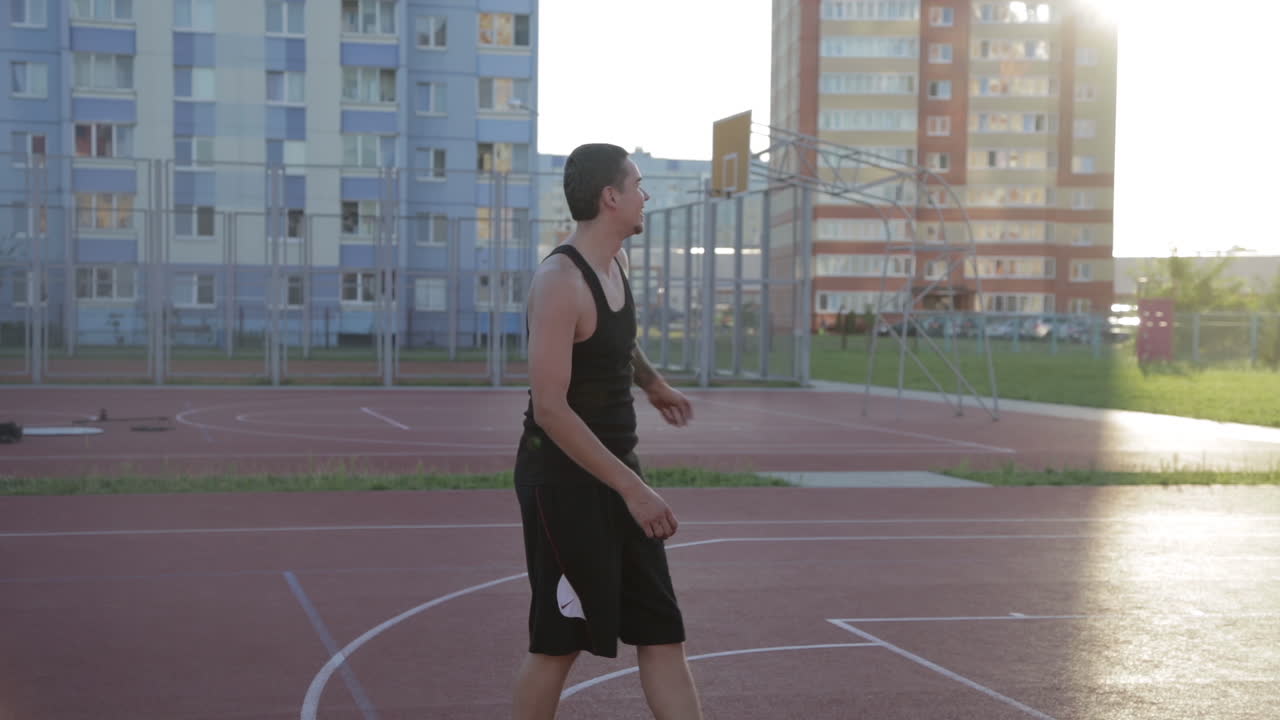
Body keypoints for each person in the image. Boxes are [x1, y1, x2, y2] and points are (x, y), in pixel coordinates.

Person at [512, 143, 703, 720]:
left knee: (661, 629)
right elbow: (550, 409)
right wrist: (632, 489)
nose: (647, 196)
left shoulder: (613, 265)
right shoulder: (558, 281)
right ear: (611, 197)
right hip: (563, 482)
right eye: (639, 185)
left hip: (616, 469)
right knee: (559, 641)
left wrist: (651, 381)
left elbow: (614, 337)